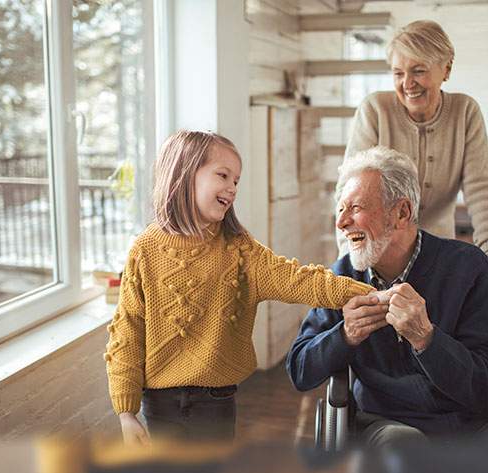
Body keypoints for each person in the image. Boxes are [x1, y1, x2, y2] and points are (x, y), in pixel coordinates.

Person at [108, 130, 373, 446]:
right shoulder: (145, 250)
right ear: (185, 173)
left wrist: (365, 292)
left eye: (236, 180)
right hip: (158, 404)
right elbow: (127, 333)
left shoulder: (239, 250)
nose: (232, 188)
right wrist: (126, 412)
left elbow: (299, 280)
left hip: (216, 403)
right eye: (223, 175)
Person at [287, 146, 488, 446]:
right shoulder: (342, 278)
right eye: (340, 209)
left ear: (402, 213)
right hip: (393, 428)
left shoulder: (469, 267)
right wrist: (345, 334)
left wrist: (427, 339)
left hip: (483, 424)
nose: (341, 222)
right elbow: (299, 369)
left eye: (355, 208)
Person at [343, 20, 488, 285]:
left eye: (418, 71)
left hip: (439, 258)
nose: (407, 83)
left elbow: (482, 189)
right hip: (380, 256)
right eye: (398, 73)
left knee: (435, 325)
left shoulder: (465, 112)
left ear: (446, 69)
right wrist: (352, 262)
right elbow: (349, 190)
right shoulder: (375, 110)